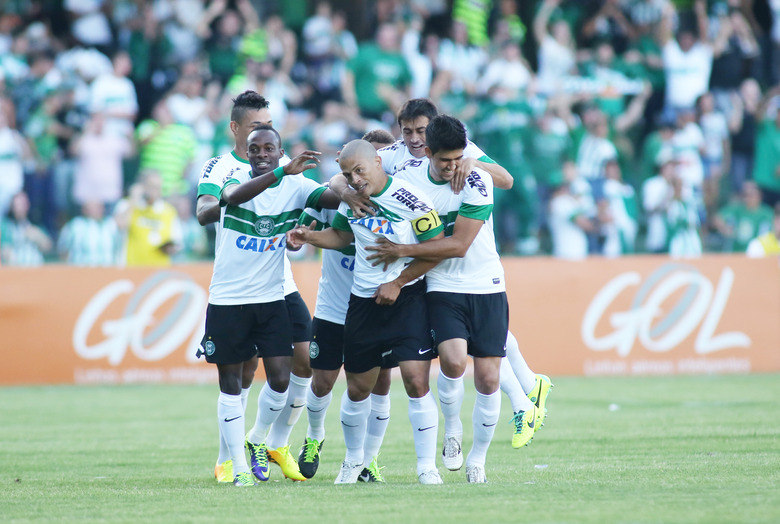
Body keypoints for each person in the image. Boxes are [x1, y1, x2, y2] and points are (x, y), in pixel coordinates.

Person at [363, 115, 528, 483]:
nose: (453, 167)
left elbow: (460, 244)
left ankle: (478, 460)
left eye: (458, 159)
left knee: (487, 378)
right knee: (453, 362)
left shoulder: (477, 178)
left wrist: (401, 250)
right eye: (445, 161)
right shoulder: (409, 183)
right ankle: (451, 430)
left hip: (486, 282)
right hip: (441, 286)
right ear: (429, 155)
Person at [287, 139, 445, 485]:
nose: (355, 179)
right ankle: (353, 462)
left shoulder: (411, 199)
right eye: (348, 173)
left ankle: (426, 467)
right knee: (358, 389)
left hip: (406, 300)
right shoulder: (353, 201)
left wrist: (399, 281)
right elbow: (342, 237)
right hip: (361, 303)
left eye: (359, 170)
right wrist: (309, 238)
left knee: (417, 382)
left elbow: (437, 249)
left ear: (377, 162)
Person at [199, 124, 340, 487]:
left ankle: (258, 439)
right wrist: (280, 172)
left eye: (269, 150)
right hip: (229, 300)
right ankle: (238, 469)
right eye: (255, 150)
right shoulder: (234, 178)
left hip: (272, 296)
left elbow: (331, 199)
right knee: (231, 384)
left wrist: (360, 186)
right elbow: (229, 199)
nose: (261, 155)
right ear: (246, 154)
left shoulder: (298, 185)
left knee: (281, 378)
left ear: (281, 151)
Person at [295, 130, 395, 483]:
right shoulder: (334, 194)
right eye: (353, 169)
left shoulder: (397, 196)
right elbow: (307, 229)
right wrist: (302, 236)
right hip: (335, 306)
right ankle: (314, 435)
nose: (360, 175)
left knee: (379, 384)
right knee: (322, 381)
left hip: (376, 307)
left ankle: (369, 460)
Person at [114, 171, 182, 267]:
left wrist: (170, 248)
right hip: (132, 267)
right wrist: (133, 199)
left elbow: (177, 241)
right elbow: (120, 224)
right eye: (151, 186)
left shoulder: (169, 211)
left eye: (158, 187)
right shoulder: (127, 205)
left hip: (160, 270)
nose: (155, 191)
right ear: (141, 186)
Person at [57, 200, 119, 266]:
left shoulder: (110, 224)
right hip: (80, 270)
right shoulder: (75, 225)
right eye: (93, 207)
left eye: (99, 206)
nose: (97, 210)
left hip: (107, 270)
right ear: (84, 209)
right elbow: (63, 250)